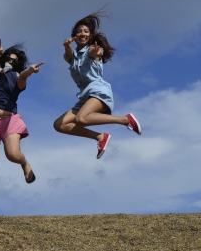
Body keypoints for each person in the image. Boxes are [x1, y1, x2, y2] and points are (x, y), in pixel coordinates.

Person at [53, 12, 142, 159]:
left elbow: (94, 52)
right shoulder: (71, 56)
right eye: (79, 31)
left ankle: (125, 120)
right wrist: (66, 45)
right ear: (74, 35)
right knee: (59, 125)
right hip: (85, 97)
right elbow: (68, 55)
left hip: (98, 91)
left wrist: (97, 53)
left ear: (90, 35)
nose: (83, 33)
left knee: (82, 119)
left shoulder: (91, 49)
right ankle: (100, 137)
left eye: (86, 31)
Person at [0, 39, 44, 200]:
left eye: (14, 60)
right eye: (8, 58)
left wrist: (29, 70)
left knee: (13, 155)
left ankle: (24, 163)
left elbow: (22, 77)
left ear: (18, 63)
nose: (10, 61)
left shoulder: (17, 76)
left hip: (10, 119)